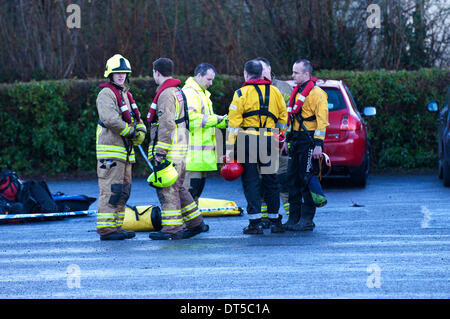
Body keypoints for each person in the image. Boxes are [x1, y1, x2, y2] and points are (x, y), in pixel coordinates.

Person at [146, 58, 208, 240]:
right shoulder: (178, 91)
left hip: (170, 149)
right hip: (180, 146)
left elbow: (166, 124)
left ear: (156, 72)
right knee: (179, 187)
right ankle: (196, 224)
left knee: (167, 189)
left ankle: (172, 230)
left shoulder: (165, 94)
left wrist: (160, 152)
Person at [225, 60, 288, 234]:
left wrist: (229, 149)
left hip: (248, 141)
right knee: (271, 181)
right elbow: (283, 119)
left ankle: (255, 223)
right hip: (270, 141)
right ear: (262, 73)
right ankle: (275, 221)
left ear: (246, 74)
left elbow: (233, 124)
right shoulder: (275, 92)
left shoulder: (240, 93)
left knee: (251, 181)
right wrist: (280, 139)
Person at [95, 54, 147, 240]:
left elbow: (136, 118)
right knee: (111, 191)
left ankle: (117, 228)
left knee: (123, 192)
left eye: (124, 73)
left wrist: (141, 130)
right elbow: (110, 119)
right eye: (117, 73)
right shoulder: (106, 94)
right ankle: (106, 230)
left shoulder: (126, 94)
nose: (121, 76)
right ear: (110, 75)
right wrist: (130, 132)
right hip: (111, 153)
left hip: (125, 154)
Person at [285, 59, 329, 231]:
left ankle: (307, 220)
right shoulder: (297, 92)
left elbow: (322, 121)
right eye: (293, 72)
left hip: (309, 142)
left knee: (305, 179)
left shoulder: (317, 93)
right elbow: (292, 119)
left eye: (296, 72)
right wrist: (287, 141)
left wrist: (318, 145)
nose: (292, 75)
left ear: (306, 74)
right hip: (296, 141)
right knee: (292, 180)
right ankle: (293, 219)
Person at [182, 63, 228, 202]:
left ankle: (193, 223)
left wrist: (225, 121)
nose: (211, 83)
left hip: (199, 156)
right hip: (192, 156)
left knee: (195, 192)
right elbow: (192, 119)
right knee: (189, 192)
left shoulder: (201, 94)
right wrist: (218, 119)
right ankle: (187, 222)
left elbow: (207, 119)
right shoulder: (190, 93)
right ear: (198, 76)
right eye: (209, 79)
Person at [254, 57, 291, 227]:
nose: (261, 72)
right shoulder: (252, 89)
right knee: (262, 181)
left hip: (280, 143)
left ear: (269, 68)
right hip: (260, 143)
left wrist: (284, 141)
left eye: (263, 69)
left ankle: (292, 217)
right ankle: (265, 218)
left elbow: (289, 117)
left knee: (282, 181)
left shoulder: (284, 88)